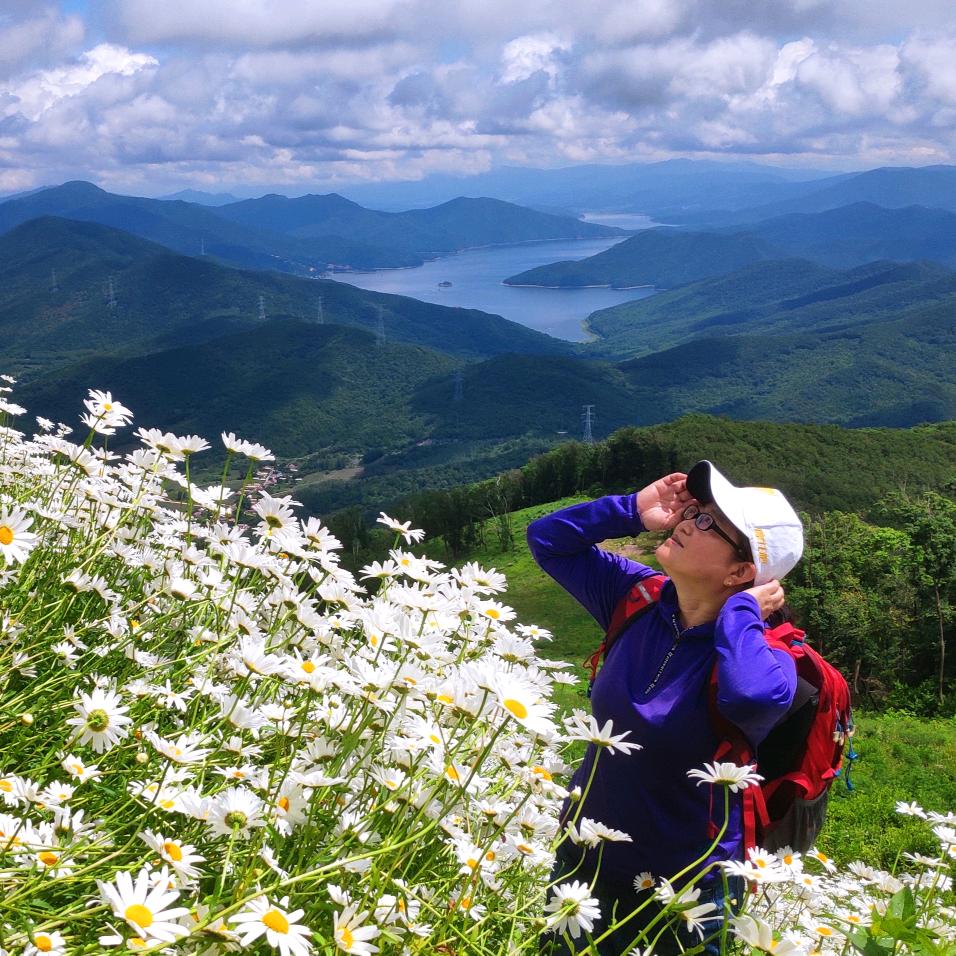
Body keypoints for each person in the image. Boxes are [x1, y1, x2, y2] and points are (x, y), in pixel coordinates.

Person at [528, 460, 805, 955]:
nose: (686, 520)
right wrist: (631, 510)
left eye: (706, 522)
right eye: (694, 509)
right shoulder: (638, 598)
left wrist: (740, 612)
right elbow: (547, 540)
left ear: (741, 572)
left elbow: (750, 696)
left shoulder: (769, 658)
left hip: (681, 897)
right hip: (584, 860)